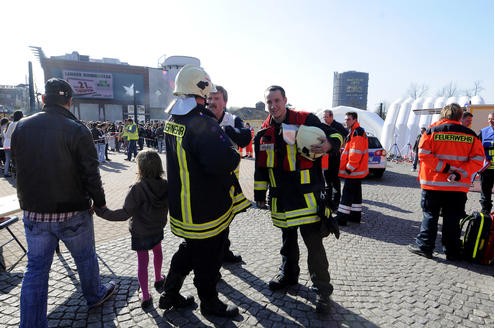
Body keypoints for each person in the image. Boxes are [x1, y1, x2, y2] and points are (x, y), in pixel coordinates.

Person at [12, 78, 116, 328]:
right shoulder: (77, 129)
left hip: (35, 211)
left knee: (36, 269)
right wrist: (100, 204)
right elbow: (91, 173)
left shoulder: (21, 127)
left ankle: (31, 324)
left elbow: (17, 167)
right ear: (70, 102)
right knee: (86, 258)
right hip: (73, 210)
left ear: (44, 100)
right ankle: (94, 295)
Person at [158, 65, 240, 317]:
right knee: (209, 256)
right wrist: (233, 152)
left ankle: (169, 292)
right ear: (202, 90)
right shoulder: (202, 123)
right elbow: (222, 162)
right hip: (205, 208)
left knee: (190, 249)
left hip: (183, 206)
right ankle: (210, 303)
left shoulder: (172, 120)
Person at [254, 85, 342, 314]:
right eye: (269, 102)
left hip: (307, 196)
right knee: (287, 241)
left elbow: (335, 133)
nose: (273, 106)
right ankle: (289, 276)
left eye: (277, 100)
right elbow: (261, 167)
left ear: (285, 100)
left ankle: (323, 291)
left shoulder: (306, 119)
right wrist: (259, 195)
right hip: (281, 197)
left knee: (314, 244)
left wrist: (330, 145)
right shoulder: (263, 132)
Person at [408, 103, 484, 260]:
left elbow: (423, 154)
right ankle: (452, 250)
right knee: (453, 218)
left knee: (430, 215)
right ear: (459, 116)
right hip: (457, 186)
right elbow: (478, 159)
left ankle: (425, 247)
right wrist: (457, 173)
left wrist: (444, 168)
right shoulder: (470, 135)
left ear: (443, 115)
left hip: (433, 184)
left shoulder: (431, 131)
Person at [95, 150, 167, 309]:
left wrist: (102, 212)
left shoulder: (137, 188)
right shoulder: (165, 184)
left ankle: (146, 295)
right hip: (157, 227)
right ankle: (158, 278)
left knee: (143, 261)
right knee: (157, 251)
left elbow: (124, 213)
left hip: (141, 231)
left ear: (140, 167)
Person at [207, 85, 251, 264]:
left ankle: (223, 251)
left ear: (224, 102)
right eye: (210, 98)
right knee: (210, 220)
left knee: (226, 217)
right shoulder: (202, 118)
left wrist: (228, 131)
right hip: (206, 178)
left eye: (217, 98)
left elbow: (246, 137)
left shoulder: (233, 120)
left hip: (229, 179)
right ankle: (212, 260)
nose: (212, 102)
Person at [335, 111, 369, 226]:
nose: (346, 121)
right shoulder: (356, 131)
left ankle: (341, 218)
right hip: (357, 171)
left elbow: (356, 153)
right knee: (356, 195)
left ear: (355, 119)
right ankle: (355, 216)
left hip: (353, 171)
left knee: (347, 194)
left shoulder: (357, 133)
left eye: (348, 119)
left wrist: (349, 168)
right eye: (345, 119)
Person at [322, 109, 348, 210]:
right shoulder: (325, 127)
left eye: (326, 117)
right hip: (326, 158)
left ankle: (336, 202)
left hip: (334, 157)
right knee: (327, 181)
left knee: (335, 180)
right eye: (324, 117)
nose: (324, 119)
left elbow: (346, 137)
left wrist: (338, 146)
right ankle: (328, 202)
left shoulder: (338, 126)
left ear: (331, 116)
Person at [479, 112, 494, 214]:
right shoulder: (483, 132)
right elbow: (476, 148)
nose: (490, 121)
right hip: (487, 169)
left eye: (492, 119)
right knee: (485, 194)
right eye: (489, 119)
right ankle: (485, 215)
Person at [3, 110, 23, 177]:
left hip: (6, 143)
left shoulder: (11, 123)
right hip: (13, 144)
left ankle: (6, 173)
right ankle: (16, 173)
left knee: (7, 159)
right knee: (16, 159)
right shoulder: (19, 123)